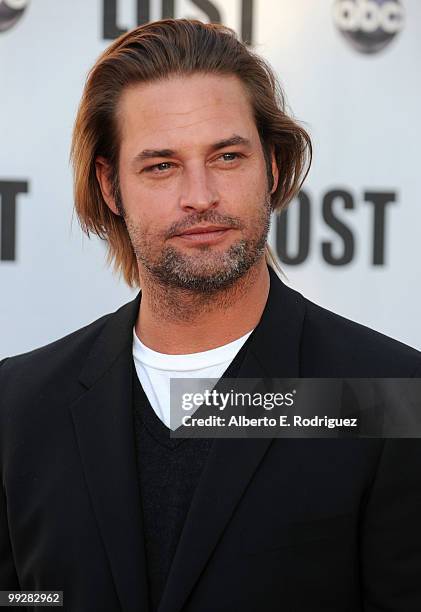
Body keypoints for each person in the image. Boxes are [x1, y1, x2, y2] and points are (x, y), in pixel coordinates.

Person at [1, 18, 420, 612]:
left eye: (226, 156)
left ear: (272, 168)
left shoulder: (386, 398)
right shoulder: (19, 409)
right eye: (161, 166)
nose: (199, 195)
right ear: (111, 186)